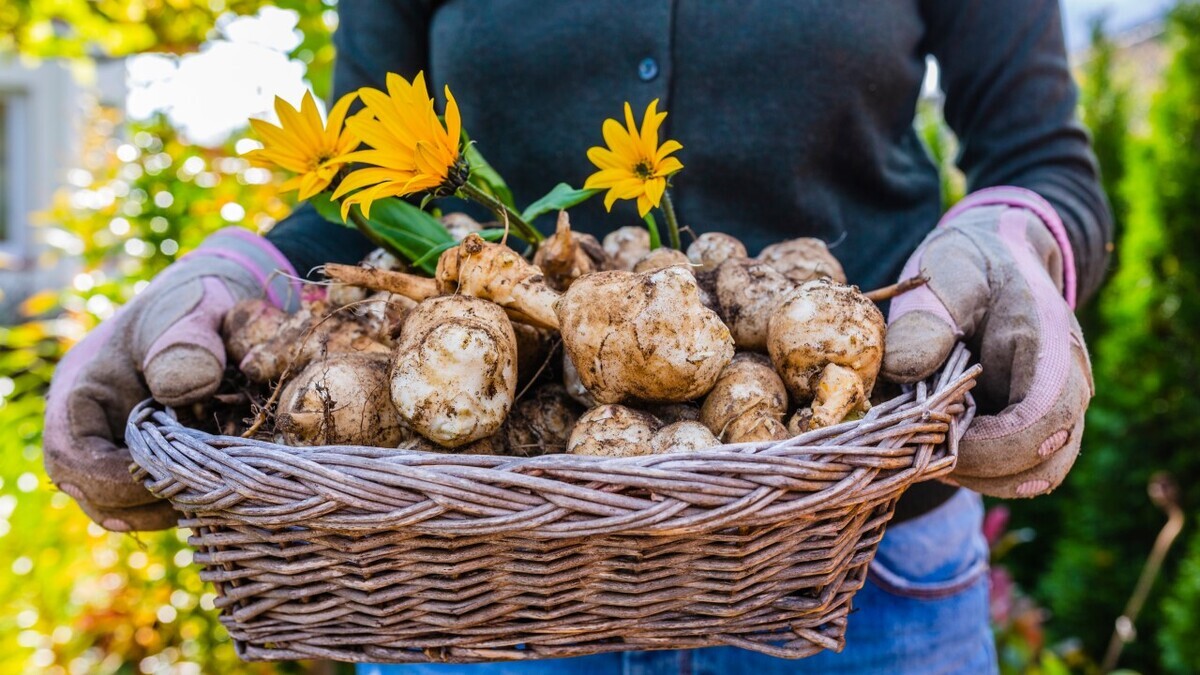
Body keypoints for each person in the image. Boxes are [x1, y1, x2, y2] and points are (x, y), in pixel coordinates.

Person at [43, 1, 1109, 673]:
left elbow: (1039, 157)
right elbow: (356, 195)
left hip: (855, 557)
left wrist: (1011, 244)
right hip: (469, 574)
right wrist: (240, 273)